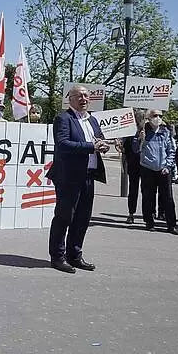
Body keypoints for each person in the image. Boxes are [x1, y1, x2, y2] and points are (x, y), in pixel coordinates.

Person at [46, 86, 108, 273]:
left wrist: (104, 145)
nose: (83, 99)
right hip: (68, 176)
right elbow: (63, 144)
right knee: (65, 217)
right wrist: (91, 147)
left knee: (82, 219)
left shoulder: (93, 120)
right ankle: (57, 257)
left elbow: (99, 140)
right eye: (79, 96)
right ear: (70, 99)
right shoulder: (63, 118)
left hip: (88, 176)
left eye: (86, 96)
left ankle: (75, 255)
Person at [134, 109, 178, 234]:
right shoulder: (142, 131)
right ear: (148, 117)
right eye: (155, 115)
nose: (158, 118)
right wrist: (140, 139)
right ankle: (149, 222)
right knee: (148, 196)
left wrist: (168, 166)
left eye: (160, 115)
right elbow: (135, 150)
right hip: (147, 168)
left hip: (164, 169)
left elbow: (171, 150)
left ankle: (171, 225)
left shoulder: (166, 132)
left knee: (168, 198)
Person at [121, 110, 144, 224]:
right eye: (137, 117)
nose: (139, 119)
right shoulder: (129, 131)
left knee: (147, 190)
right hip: (133, 163)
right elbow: (125, 147)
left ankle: (149, 213)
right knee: (133, 189)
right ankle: (131, 213)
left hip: (146, 164)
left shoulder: (149, 130)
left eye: (141, 117)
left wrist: (143, 139)